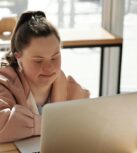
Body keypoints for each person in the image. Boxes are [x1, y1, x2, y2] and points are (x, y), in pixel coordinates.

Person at [0, 11, 90, 143]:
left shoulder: (71, 90)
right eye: (38, 60)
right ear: (18, 57)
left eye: (54, 57)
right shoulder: (4, 83)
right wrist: (51, 125)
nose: (49, 68)